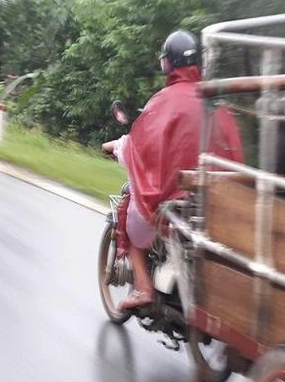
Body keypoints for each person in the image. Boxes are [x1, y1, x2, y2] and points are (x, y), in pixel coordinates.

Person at [102, 30, 244, 313]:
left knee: (132, 217)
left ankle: (143, 287)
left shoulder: (163, 101)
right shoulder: (216, 103)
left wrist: (115, 147)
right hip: (216, 203)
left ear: (167, 63)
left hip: (174, 203)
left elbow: (139, 147)